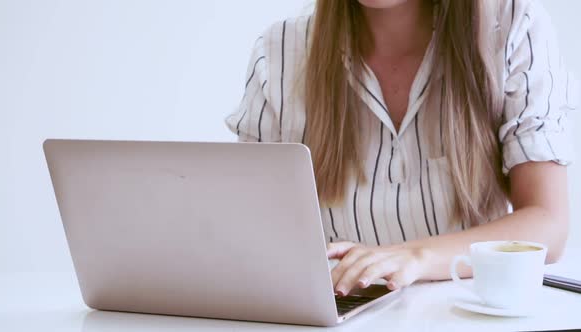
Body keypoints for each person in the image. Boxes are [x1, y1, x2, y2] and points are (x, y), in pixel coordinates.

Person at [225, 0, 576, 297]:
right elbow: (252, 232)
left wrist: (415, 257)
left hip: (469, 313)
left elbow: (548, 225)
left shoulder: (511, 25)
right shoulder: (279, 51)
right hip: (343, 315)